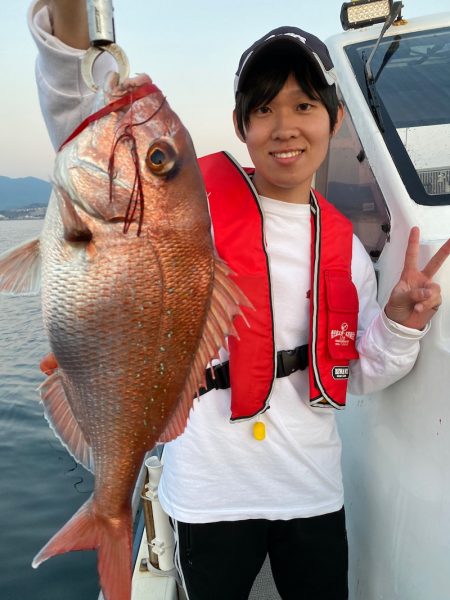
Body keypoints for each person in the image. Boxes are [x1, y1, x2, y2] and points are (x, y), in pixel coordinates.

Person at [29, 2, 450, 599]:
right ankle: (109, 514)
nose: (285, 125)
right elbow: (76, 108)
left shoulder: (346, 248)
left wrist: (400, 325)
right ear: (240, 123)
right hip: (209, 494)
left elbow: (355, 373)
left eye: (304, 106)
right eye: (264, 108)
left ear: (333, 121)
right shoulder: (180, 212)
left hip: (312, 490)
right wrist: (72, 17)